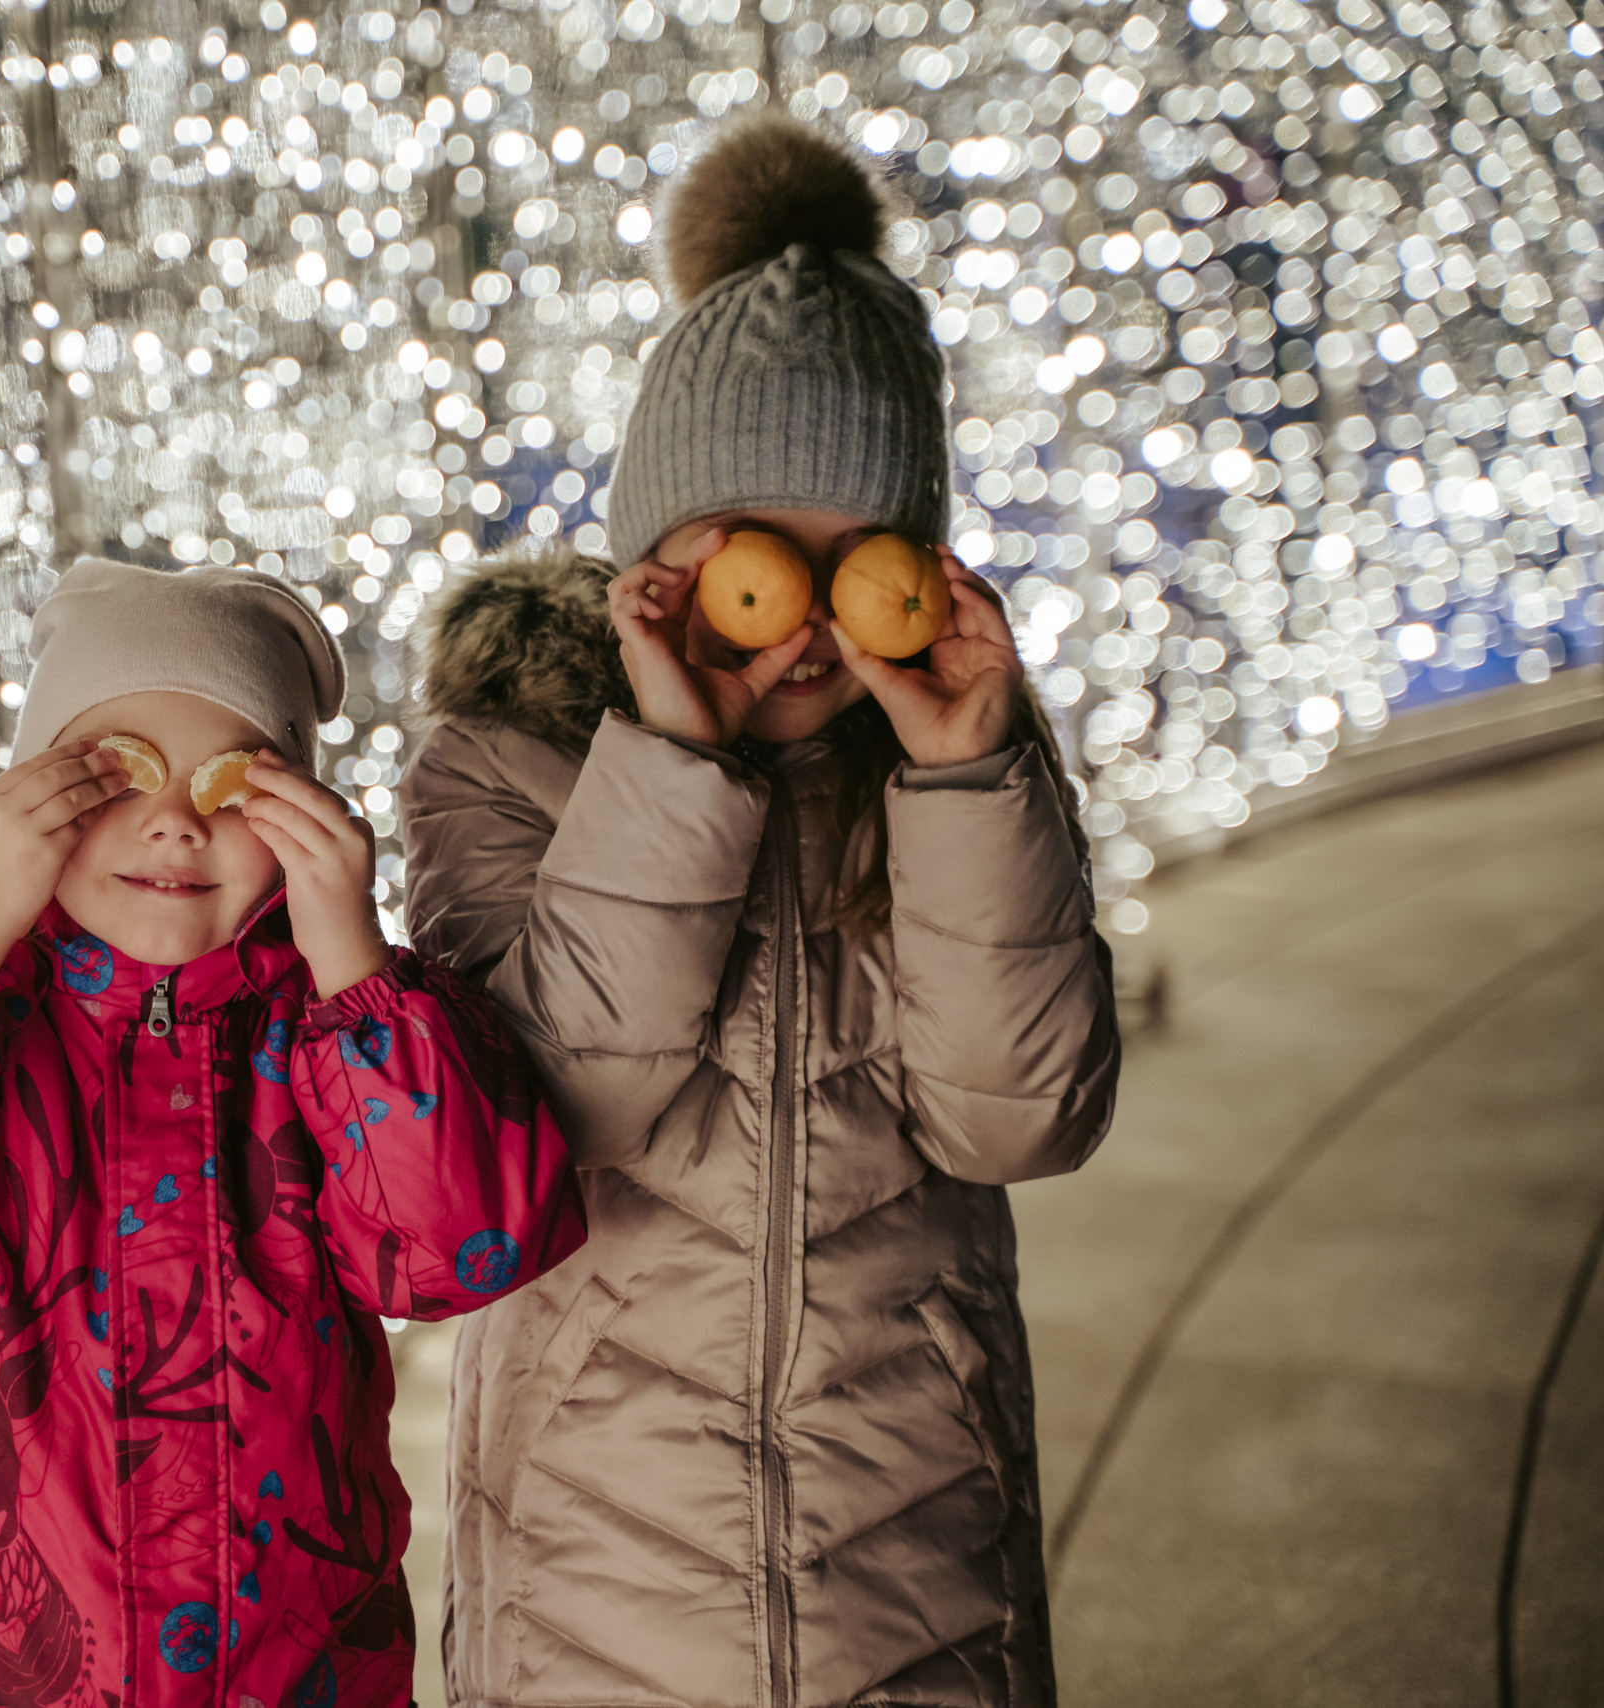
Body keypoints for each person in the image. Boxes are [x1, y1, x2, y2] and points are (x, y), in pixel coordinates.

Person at [397, 114, 1119, 1706]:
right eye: (754, 560)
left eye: (849, 553)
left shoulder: (949, 768)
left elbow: (1025, 1116)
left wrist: (964, 780)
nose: (798, 629)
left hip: (910, 1555)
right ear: (656, 554)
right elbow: (559, 1102)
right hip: (598, 1569)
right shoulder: (508, 761)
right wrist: (666, 759)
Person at [0, 558, 585, 1708]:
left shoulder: (336, 1027)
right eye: (109, 776)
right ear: (27, 796)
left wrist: (352, 959)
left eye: (230, 788)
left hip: (296, 1675)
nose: (170, 823)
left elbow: (462, 1246)